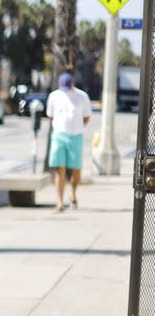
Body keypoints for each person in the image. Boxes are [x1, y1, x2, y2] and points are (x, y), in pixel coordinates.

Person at [46, 73, 91, 213]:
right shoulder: (54, 96)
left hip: (76, 135)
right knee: (60, 169)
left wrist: (78, 128)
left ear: (72, 84)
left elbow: (87, 116)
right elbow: (50, 116)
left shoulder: (82, 96)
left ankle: (73, 193)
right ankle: (59, 203)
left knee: (76, 170)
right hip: (59, 134)